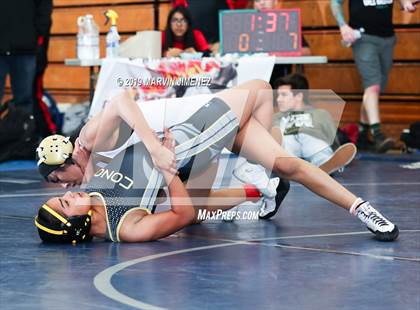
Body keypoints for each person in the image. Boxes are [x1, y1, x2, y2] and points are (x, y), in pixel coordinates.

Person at [35, 80, 398, 243]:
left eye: (61, 187)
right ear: (77, 225)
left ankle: (361, 208)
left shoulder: (91, 171)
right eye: (64, 199)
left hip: (184, 135)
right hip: (193, 140)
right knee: (259, 88)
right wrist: (166, 168)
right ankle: (260, 177)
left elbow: (119, 100)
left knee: (288, 165)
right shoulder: (125, 228)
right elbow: (184, 214)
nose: (68, 191)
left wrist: (159, 154)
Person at [330, 0, 417, 153]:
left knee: (373, 90)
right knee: (373, 86)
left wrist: (406, 4)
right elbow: (335, 2)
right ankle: (377, 135)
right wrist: (343, 25)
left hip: (387, 38)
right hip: (363, 38)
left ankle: (362, 134)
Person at [269, 73, 357, 174]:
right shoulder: (276, 117)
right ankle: (283, 164)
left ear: (299, 96)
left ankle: (326, 164)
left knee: (313, 142)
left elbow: (333, 139)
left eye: (283, 95)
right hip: (288, 147)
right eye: (278, 95)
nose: (278, 99)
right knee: (285, 140)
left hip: (312, 144)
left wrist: (338, 153)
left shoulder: (320, 114)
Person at [0, 0, 52, 114]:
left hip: (25, 47)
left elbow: (44, 9)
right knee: (24, 101)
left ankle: (24, 131)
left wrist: (35, 37)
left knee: (24, 102)